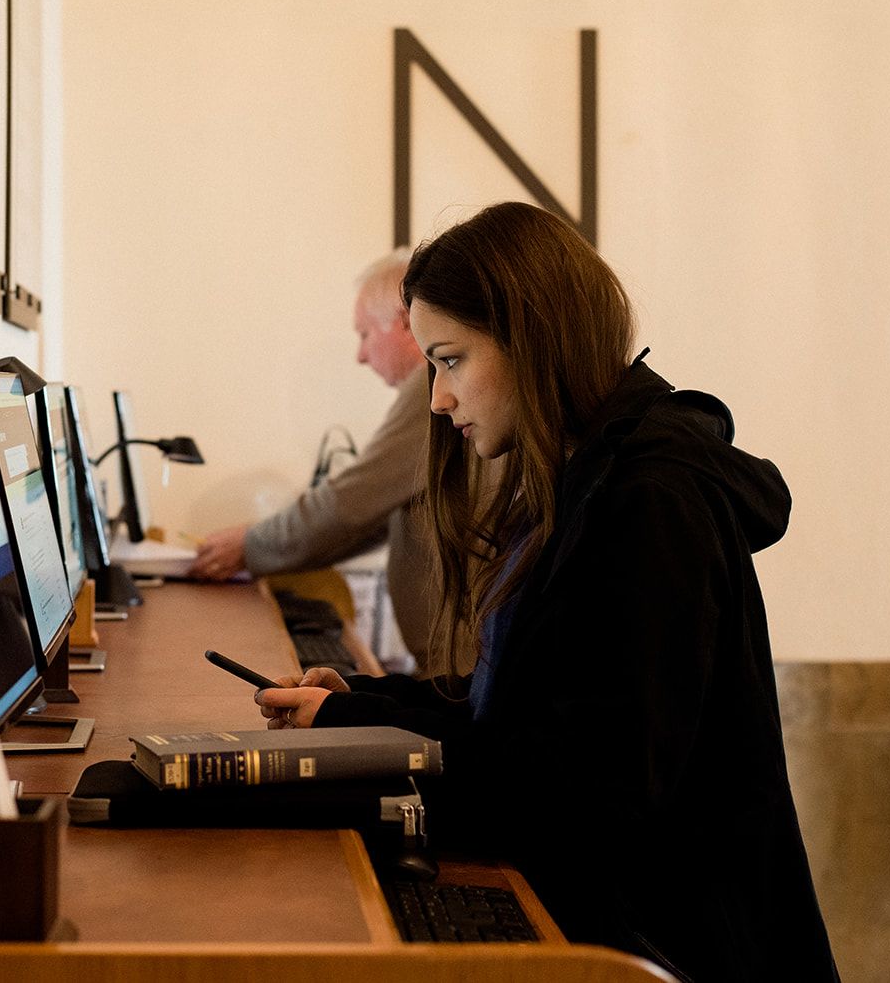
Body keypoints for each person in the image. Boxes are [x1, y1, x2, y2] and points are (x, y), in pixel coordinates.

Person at [252, 203, 839, 981]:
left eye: (451, 360)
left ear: (531, 339)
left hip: (672, 947)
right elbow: (522, 712)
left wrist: (366, 745)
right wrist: (357, 707)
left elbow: (589, 793)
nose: (437, 398)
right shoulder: (581, 477)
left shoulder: (650, 500)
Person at [189, 248, 441, 671]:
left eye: (364, 334)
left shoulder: (429, 387)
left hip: (458, 671)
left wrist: (250, 546)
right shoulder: (427, 388)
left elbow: (350, 503)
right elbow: (370, 519)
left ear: (403, 321)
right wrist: (259, 548)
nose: (361, 355)